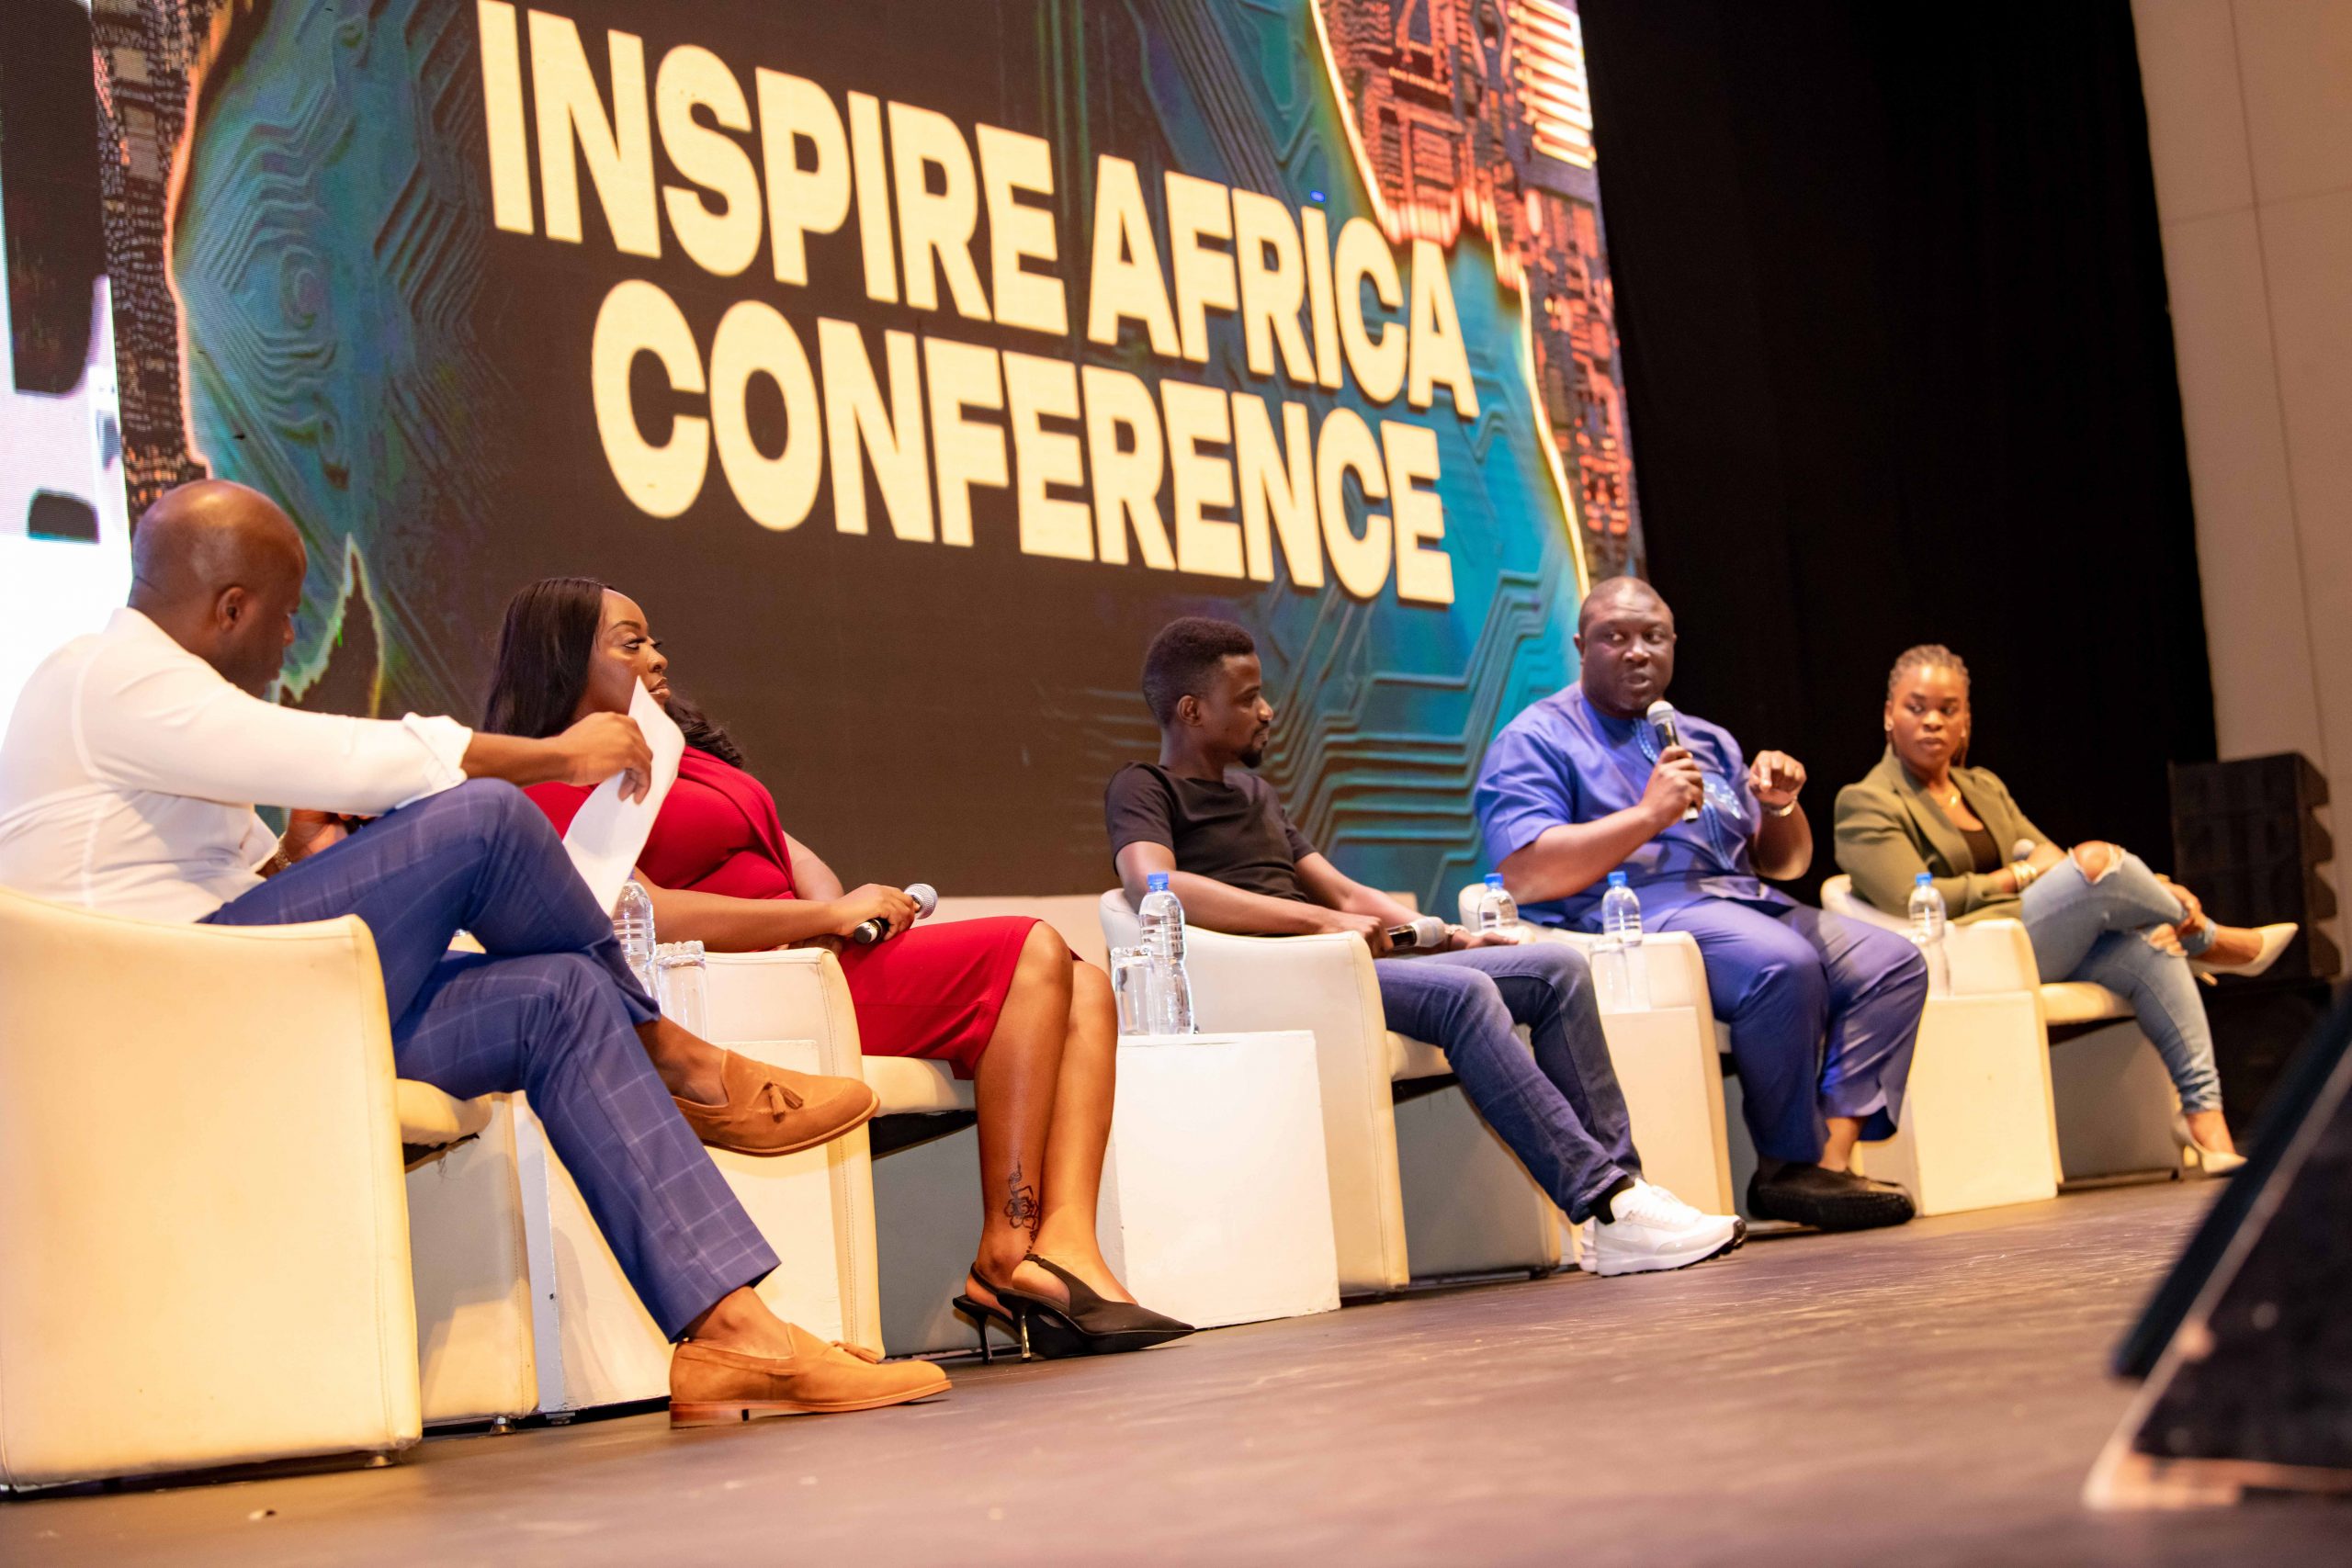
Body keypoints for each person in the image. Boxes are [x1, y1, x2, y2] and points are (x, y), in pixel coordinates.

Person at [0, 480, 947, 1425]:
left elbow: (240, 876)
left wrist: (296, 850)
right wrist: (556, 757)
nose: (292, 638)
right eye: (286, 616)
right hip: (161, 1020)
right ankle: (674, 1055)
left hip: (244, 998)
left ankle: (736, 1336)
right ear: (230, 607)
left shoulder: (160, 711)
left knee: (562, 996)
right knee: (486, 818)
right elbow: (337, 757)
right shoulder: (105, 676)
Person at [481, 578, 1191, 1359]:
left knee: (1085, 984)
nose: (657, 656)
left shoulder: (682, 755)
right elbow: (649, 911)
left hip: (817, 958)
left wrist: (852, 910)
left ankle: (1067, 1243)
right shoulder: (550, 781)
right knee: (1029, 947)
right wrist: (821, 921)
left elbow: (788, 855)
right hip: (757, 984)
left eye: (653, 639)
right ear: (562, 659)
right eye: (631, 642)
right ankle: (1005, 1248)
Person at [1105, 617, 1743, 1277]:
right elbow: (1152, 883)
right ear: (1192, 711)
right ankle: (1605, 1201)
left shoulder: (1256, 794)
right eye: (1247, 699)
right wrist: (1317, 925)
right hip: (1273, 976)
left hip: (1336, 964)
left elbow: (1345, 893)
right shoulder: (1143, 786)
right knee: (1465, 994)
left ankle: (1625, 1198)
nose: (1267, 711)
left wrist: (1452, 935)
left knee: (1557, 968)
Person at [1475, 577, 1926, 1232]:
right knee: (1781, 964)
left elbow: (1781, 863)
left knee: (1893, 963)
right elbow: (1524, 872)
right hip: (1629, 911)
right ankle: (1785, 1164)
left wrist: (1781, 807)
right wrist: (1648, 815)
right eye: (1615, 637)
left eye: (1653, 637)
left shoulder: (1706, 739)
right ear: (1580, 646)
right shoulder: (1536, 738)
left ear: (1673, 644)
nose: (1637, 651)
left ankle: (1827, 1161)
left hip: (1742, 898)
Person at [1834, 644, 2295, 1174]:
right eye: (1916, 708)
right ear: (1889, 714)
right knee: (2097, 862)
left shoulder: (1983, 787)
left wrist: (2068, 879)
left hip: (2028, 937)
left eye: (1948, 709)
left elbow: (2052, 859)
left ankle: (2205, 1124)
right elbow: (1912, 896)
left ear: (1966, 721)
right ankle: (2209, 939)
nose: (1933, 721)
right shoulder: (1865, 801)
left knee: (2148, 948)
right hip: (1964, 952)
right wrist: (2015, 877)